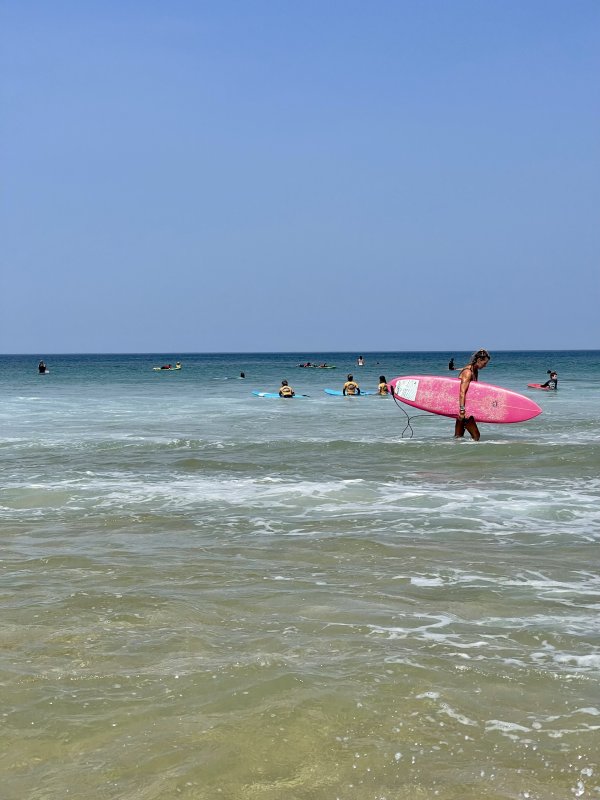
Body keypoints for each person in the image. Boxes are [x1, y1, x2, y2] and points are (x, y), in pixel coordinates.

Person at [454, 349, 491, 441]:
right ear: (479, 360)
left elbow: (472, 391)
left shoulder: (475, 370)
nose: (485, 366)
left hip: (466, 407)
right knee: (476, 436)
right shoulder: (468, 372)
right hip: (463, 409)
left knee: (458, 436)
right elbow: (462, 392)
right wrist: (462, 410)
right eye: (484, 363)